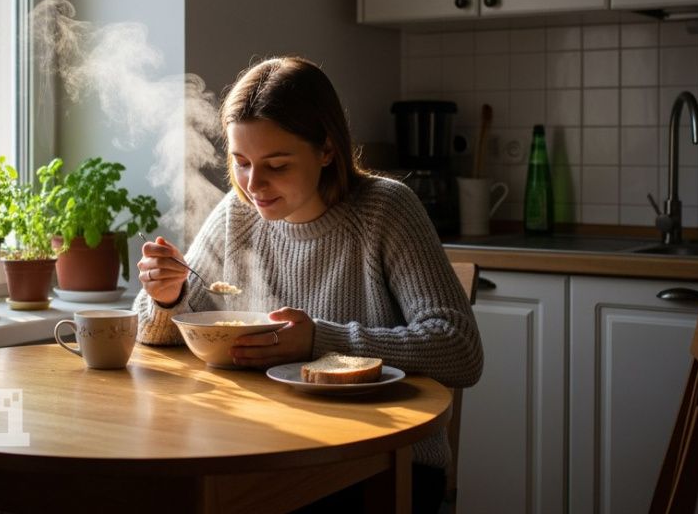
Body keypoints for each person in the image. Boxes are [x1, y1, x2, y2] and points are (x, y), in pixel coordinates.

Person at [133, 56, 483, 514]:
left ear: (326, 150)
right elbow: (153, 334)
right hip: (260, 450)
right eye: (241, 162)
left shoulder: (384, 210)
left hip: (381, 462)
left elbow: (461, 351)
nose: (254, 185)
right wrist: (166, 297)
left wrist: (320, 340)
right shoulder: (238, 214)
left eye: (276, 165)